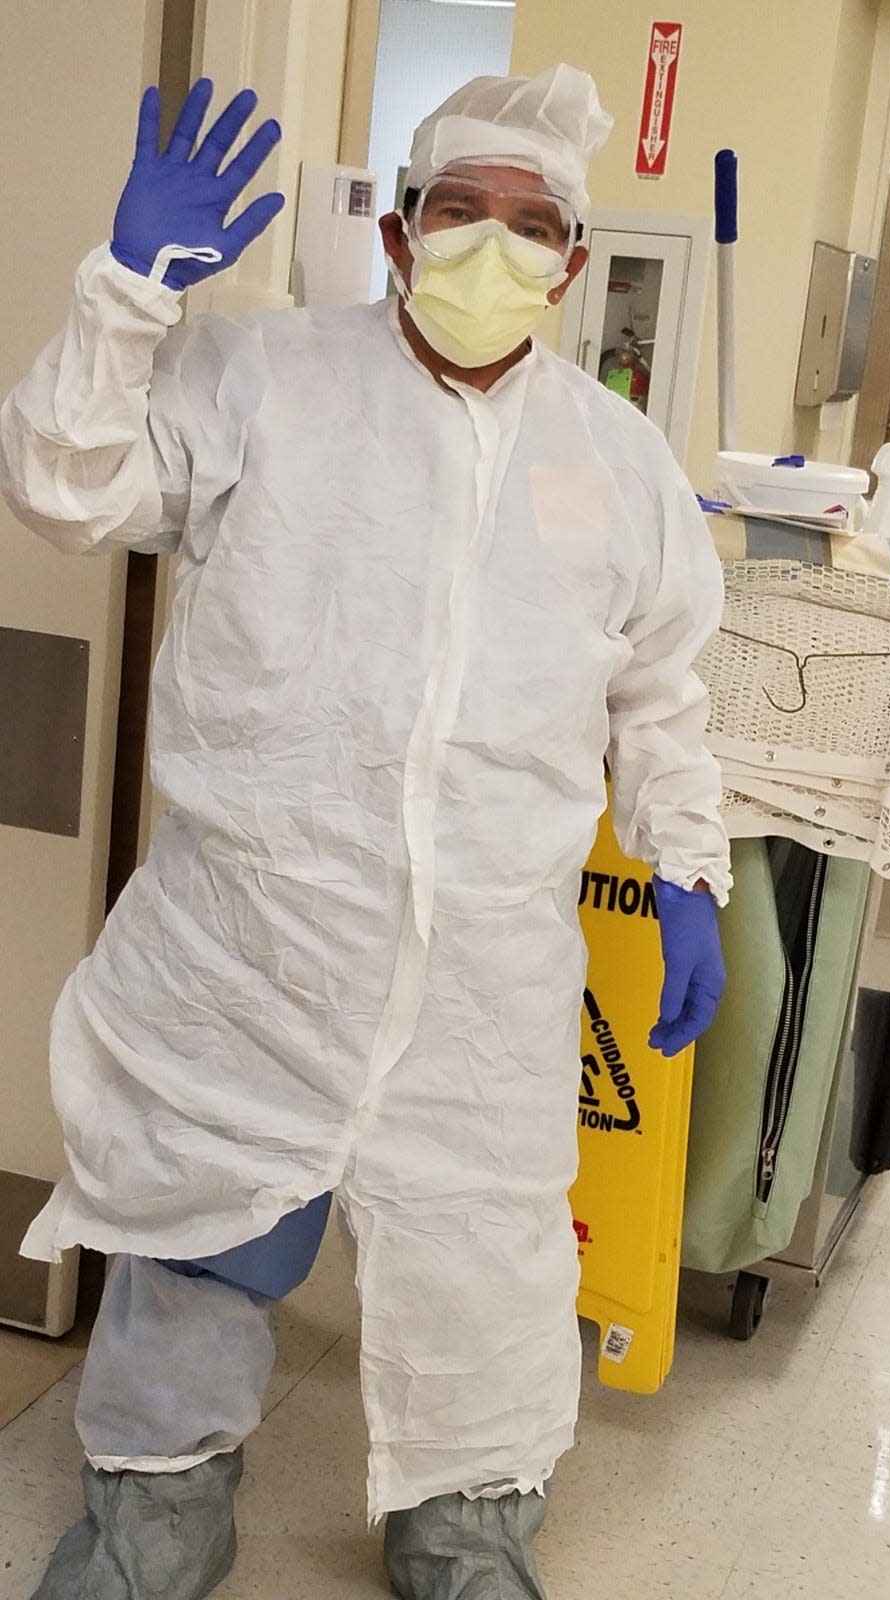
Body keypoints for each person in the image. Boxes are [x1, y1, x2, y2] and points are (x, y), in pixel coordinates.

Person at [0, 64, 731, 1600]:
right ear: (399, 235)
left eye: (533, 227)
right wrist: (129, 288)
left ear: (576, 266)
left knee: (482, 1258)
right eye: (458, 212)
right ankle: (154, 1518)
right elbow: (65, 493)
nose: (493, 249)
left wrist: (685, 865)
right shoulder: (260, 376)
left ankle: (467, 1528)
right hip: (248, 941)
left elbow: (664, 684)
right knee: (200, 1230)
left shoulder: (619, 463)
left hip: (481, 967)